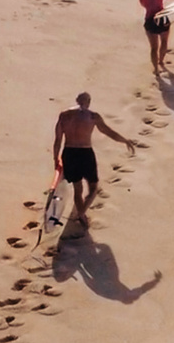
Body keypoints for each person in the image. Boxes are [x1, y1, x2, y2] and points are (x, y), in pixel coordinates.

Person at [48, 91, 136, 236]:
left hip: (69, 152)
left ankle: (80, 214)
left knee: (78, 188)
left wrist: (56, 159)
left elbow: (58, 140)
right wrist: (125, 140)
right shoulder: (92, 116)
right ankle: (81, 213)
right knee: (94, 188)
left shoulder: (64, 115)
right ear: (88, 102)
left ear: (77, 100)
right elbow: (108, 132)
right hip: (85, 153)